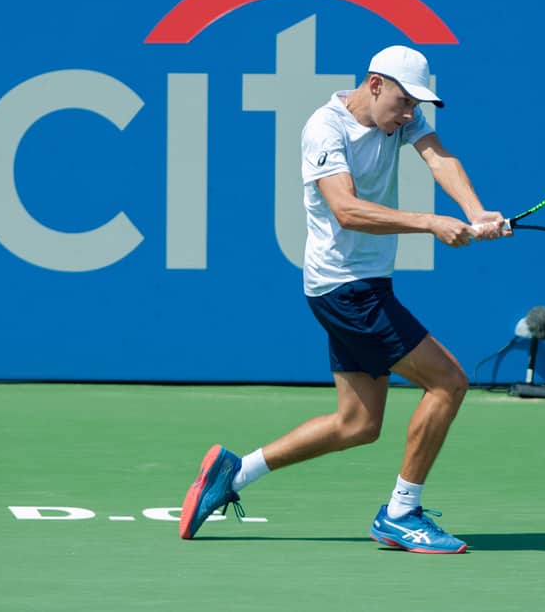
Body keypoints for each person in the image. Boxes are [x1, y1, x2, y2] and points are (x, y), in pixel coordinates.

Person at [178, 45, 507, 553]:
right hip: (345, 288)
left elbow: (439, 158)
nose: (408, 114)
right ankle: (401, 513)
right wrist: (430, 221)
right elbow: (346, 210)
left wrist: (475, 209)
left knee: (358, 424)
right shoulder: (324, 129)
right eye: (402, 101)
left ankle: (235, 473)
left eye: (415, 106)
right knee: (448, 382)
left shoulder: (401, 119)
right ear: (374, 85)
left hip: (364, 284)